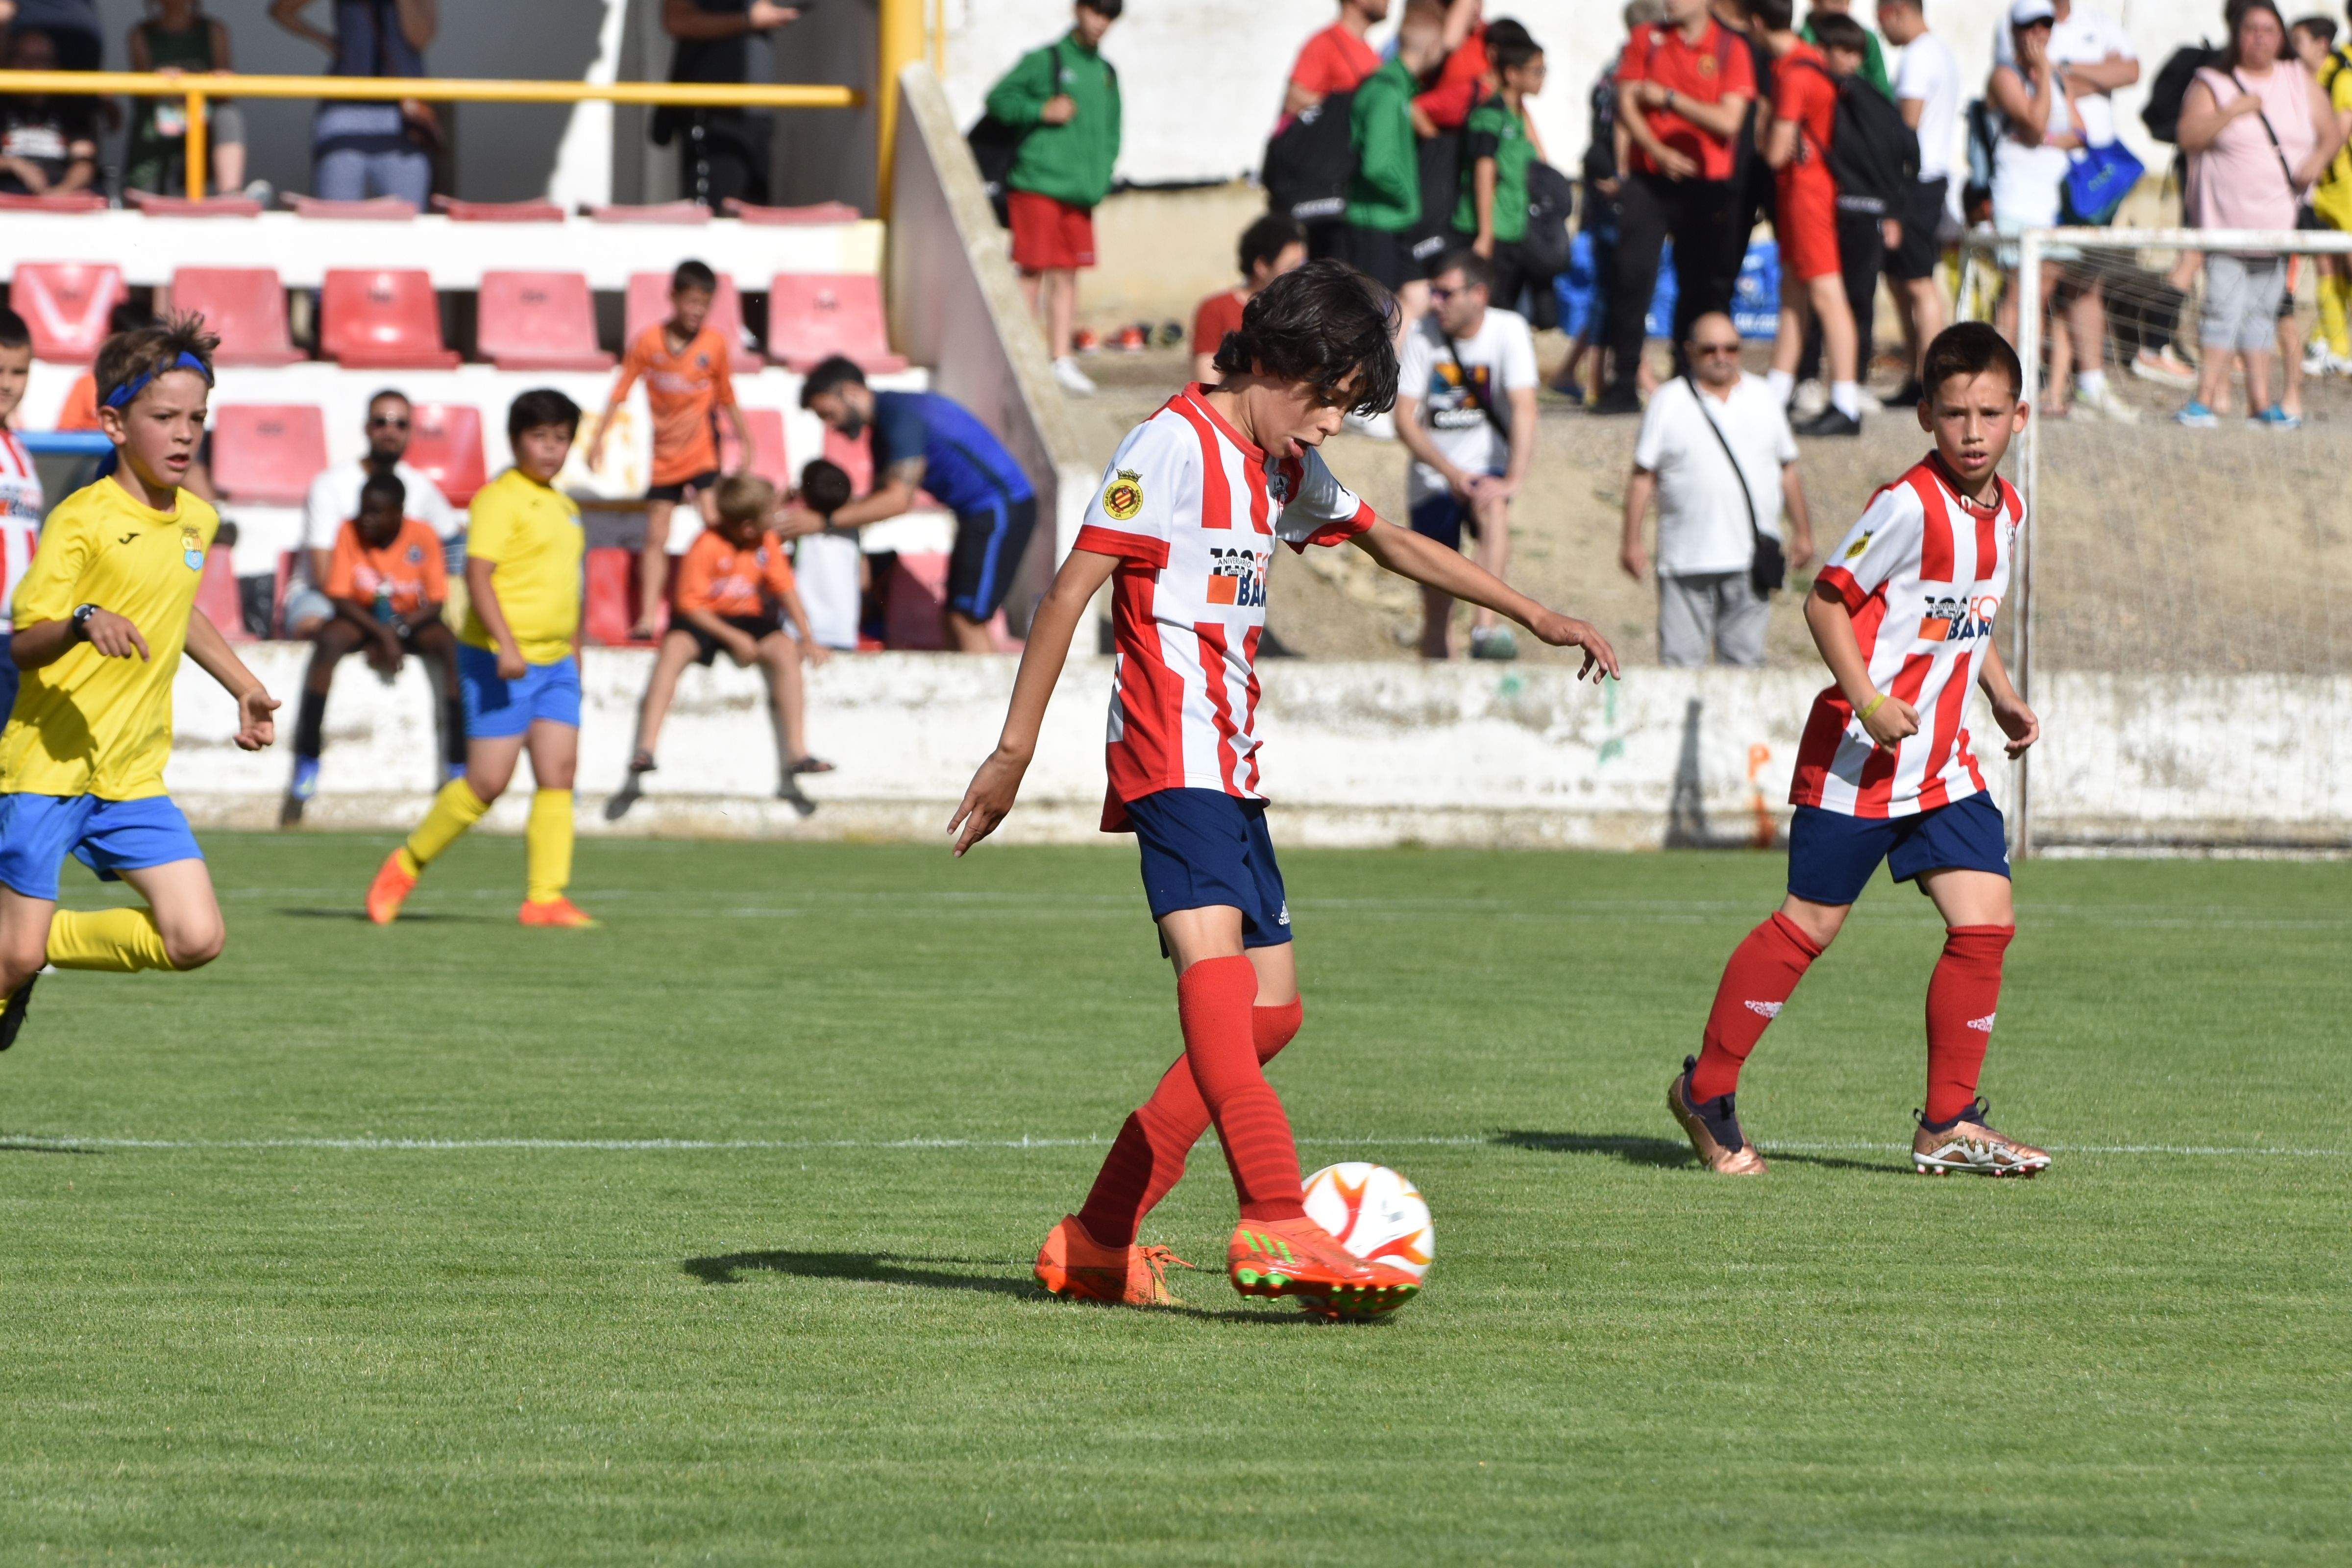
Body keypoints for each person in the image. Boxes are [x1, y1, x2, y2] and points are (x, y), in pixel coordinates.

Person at [944, 260, 1620, 1310]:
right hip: (1174, 752)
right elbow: (1069, 590)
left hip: (1233, 760)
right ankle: (1274, 1215)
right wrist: (1014, 752)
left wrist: (1536, 613)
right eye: (1333, 398)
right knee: (1214, 974)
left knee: (1272, 1010)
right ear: (1276, 361)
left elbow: (1389, 540)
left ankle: (1096, 1237)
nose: (1335, 427)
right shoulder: (1171, 445)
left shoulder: (1277, 461)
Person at [1668, 320, 2046, 1180]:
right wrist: (1870, 701)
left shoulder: (2009, 512)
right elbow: (1826, 603)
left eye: (1990, 412)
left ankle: (1947, 1121)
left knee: (1986, 924)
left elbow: (1966, 616)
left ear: (2019, 416)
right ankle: (1707, 1090)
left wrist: (2003, 694)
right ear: (1925, 416)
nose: (1974, 430)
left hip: (1944, 765)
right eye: (1955, 414)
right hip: (1860, 756)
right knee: (1811, 926)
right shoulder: (1906, 504)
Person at [0, 318, 279, 1052]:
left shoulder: (196, 521)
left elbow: (178, 612)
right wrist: (84, 620)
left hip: (130, 778)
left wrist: (243, 686)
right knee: (13, 953)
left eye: (197, 419)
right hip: (44, 772)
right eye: (165, 418)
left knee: (196, 936)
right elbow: (26, 642)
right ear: (114, 424)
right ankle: (18, 955)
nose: (184, 435)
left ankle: (33, 948)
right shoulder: (81, 520)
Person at [365, 390, 593, 930]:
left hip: (556, 663)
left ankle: (545, 897)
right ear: (516, 441)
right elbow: (478, 575)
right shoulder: (498, 499)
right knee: (487, 783)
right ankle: (405, 864)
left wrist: (575, 656)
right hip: (498, 659)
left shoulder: (567, 507)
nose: (551, 449)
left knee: (559, 773)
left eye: (560, 439)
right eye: (540, 437)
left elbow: (568, 590)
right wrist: (507, 645)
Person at [785, 357, 1038, 654]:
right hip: (980, 514)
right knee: (955, 617)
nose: (831, 427)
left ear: (851, 391)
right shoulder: (885, 422)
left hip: (999, 509)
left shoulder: (898, 417)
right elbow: (878, 498)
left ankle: (997, 700)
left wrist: (823, 521)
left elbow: (896, 501)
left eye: (830, 414)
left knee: (966, 619)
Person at [621, 473, 830, 816]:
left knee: (784, 650)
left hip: (746, 617)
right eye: (768, 515)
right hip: (704, 618)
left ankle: (797, 753)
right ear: (748, 526)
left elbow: (784, 587)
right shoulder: (705, 544)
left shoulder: (766, 543)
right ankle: (645, 749)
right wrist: (734, 638)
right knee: (673, 651)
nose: (773, 520)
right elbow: (689, 605)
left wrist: (807, 638)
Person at [2174, 0, 2339, 428]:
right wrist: (2231, 112)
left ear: (2280, 36)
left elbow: (2333, 131)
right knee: (2222, 309)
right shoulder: (2213, 81)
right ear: (2237, 34)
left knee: (2263, 314)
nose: (2261, 38)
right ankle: (2205, 399)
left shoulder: (2297, 80)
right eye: (2252, 29)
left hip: (2277, 228)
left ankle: (2260, 401)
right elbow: (2188, 135)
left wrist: (2315, 165)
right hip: (2226, 224)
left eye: (2269, 30)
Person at [1621, 311, 1813, 666]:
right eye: (1710, 349)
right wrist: (1631, 542)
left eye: (1732, 348)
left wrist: (1803, 532)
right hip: (1685, 560)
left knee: (1745, 666)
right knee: (1680, 668)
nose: (1722, 357)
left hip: (1749, 558)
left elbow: (1788, 470)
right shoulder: (1668, 401)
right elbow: (1642, 477)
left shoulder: (1764, 397)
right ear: (1690, 351)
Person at [1986, 0, 2140, 422]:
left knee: (2057, 289)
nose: (2039, 33)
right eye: (2029, 26)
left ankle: (2049, 386)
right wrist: (2041, 77)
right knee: (2021, 294)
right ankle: (2007, 383)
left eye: (2045, 25)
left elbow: (2079, 133)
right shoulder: (2006, 75)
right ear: (2015, 31)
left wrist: (2051, 93)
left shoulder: (2057, 74)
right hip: (2018, 196)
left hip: (2054, 200)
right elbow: (2036, 122)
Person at [283, 471, 465, 824]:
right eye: (364, 510)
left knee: (449, 646)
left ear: (399, 513)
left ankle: (457, 762)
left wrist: (397, 629)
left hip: (410, 620)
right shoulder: (348, 531)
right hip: (363, 617)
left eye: (376, 513)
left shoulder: (423, 535)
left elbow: (436, 602)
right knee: (330, 639)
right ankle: (308, 757)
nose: (367, 519)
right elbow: (339, 596)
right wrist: (383, 635)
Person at [1601, 0, 1756, 414]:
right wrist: (1655, 148)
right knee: (1633, 277)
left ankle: (1690, 377)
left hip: (1707, 183)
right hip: (1649, 177)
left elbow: (1729, 122)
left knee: (1702, 282)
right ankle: (1624, 380)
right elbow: (1626, 102)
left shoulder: (1730, 48)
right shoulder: (1646, 39)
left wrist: (1669, 98)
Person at [586, 261, 748, 639]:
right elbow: (620, 392)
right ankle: (646, 618)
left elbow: (727, 397)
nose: (697, 311)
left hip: (703, 452)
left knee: (714, 522)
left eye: (704, 304)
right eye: (691, 301)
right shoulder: (648, 342)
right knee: (656, 535)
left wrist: (748, 442)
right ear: (673, 297)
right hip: (664, 458)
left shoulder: (714, 345)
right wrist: (598, 441)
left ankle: (720, 606)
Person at [1395, 249, 1540, 660]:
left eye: (1446, 293)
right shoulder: (1423, 334)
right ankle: (1440, 686)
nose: (1435, 302)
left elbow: (1526, 407)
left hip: (1486, 468)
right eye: (1433, 292)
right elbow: (1404, 420)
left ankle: (1484, 629)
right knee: (1437, 601)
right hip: (1433, 477)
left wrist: (1513, 479)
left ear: (1479, 294)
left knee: (1493, 508)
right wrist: (1450, 473)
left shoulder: (1508, 329)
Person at [984, 0, 1124, 397]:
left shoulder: (1107, 72)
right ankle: (1024, 360)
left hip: (1080, 193)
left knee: (1068, 275)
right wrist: (1040, 109)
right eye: (1096, 11)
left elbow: (1113, 130)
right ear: (1078, 9)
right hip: (1037, 185)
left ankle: (1061, 359)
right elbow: (998, 100)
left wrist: (1103, 174)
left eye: (1110, 15)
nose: (1101, 21)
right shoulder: (1044, 59)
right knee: (1031, 272)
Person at [1752, 0, 1865, 436]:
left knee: (1826, 296)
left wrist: (1764, 123)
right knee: (1794, 295)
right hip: (1805, 193)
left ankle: (1846, 403)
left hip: (1807, 195)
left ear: (1757, 23)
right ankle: (1776, 395)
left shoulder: (1795, 73)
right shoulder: (1811, 61)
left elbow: (1775, 152)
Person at [289, 390, 461, 642]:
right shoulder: (330, 485)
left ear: (410, 432)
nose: (390, 432)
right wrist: (376, 622)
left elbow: (455, 539)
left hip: (400, 603)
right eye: (381, 422)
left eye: (401, 424)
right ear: (367, 428)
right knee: (319, 629)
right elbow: (324, 575)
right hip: (328, 597)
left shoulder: (420, 486)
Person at [1335, 0, 1448, 317]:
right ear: (1433, 45)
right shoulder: (1386, 91)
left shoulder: (1399, 89)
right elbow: (1377, 166)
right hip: (1375, 223)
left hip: (1392, 222)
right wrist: (1409, 198)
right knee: (1369, 319)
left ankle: (1396, 368)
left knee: (1414, 300)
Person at [268, 0, 439, 205]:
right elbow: (281, 11)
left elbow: (421, 38)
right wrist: (325, 40)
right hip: (344, 110)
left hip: (402, 116)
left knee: (406, 220)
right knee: (336, 221)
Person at [1877, 0, 1958, 398]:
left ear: (1894, 11)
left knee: (1919, 282)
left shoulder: (1919, 56)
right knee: (1899, 280)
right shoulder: (1937, 51)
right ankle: (1916, 376)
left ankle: (1931, 381)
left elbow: (1905, 131)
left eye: (1879, 18)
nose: (1880, 29)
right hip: (1923, 180)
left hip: (1916, 183)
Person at [653, 0, 803, 210]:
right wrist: (748, 20)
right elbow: (676, 20)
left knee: (753, 219)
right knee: (714, 218)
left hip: (757, 113)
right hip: (713, 112)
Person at [1453, 26, 1551, 317]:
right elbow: (1485, 170)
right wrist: (1485, 235)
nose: (1543, 78)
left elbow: (1541, 160)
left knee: (1507, 312)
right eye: (1537, 71)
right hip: (1491, 231)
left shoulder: (1519, 115)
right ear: (1512, 74)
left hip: (1514, 229)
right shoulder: (1490, 115)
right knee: (1487, 311)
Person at [123, 0, 251, 198]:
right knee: (150, 122)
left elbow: (225, 90)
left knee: (228, 114)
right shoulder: (140, 34)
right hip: (162, 119)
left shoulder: (213, 30)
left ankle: (231, 193)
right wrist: (164, 82)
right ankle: (145, 193)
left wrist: (205, 81)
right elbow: (145, 94)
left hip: (204, 118)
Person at [1192, 213, 1309, 384]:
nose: (1299, 275)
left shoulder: (1301, 308)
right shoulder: (1216, 309)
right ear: (1261, 266)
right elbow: (1208, 382)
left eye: (1302, 266)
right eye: (1291, 268)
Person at [2306, 10, 2352, 376]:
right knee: (2328, 260)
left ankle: (2333, 341)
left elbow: (2340, 128)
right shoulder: (2337, 65)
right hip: (2331, 186)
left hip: (2338, 184)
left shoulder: (2341, 68)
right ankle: (2333, 341)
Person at [0, 309, 41, 722]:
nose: (8, 384)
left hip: (17, 636)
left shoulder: (19, 452)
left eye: (19, 371)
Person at [0, 28, 98, 198]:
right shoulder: (3, 103)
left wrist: (60, 193)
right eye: (26, 60)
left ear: (55, 66)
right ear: (10, 63)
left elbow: (84, 164)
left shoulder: (71, 108)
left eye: (42, 61)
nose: (34, 68)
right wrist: (14, 164)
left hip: (60, 195)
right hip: (7, 194)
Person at [1800, 0, 1892, 97]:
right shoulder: (1801, 41)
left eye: (1848, 3)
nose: (1843, 9)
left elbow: (1883, 92)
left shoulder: (1866, 38)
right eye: (1836, 2)